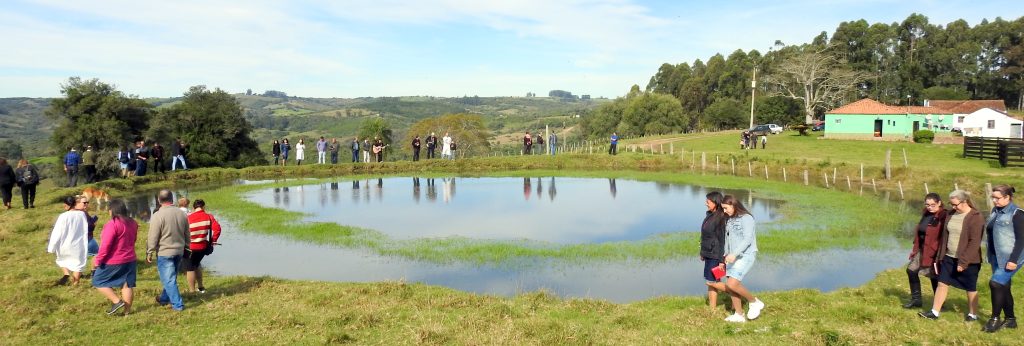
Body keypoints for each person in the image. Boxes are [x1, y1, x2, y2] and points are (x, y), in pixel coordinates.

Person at [920, 190, 984, 321]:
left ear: (965, 201)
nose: (953, 207)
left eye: (955, 204)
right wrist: (940, 256)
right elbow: (944, 236)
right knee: (942, 283)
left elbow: (974, 242)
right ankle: (934, 312)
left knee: (970, 287)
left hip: (968, 260)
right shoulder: (950, 214)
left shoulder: (975, 217)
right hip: (949, 256)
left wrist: (963, 262)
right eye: (951, 204)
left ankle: (973, 314)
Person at [983, 185, 1024, 332]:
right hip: (995, 255)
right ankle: (1011, 320)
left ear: (1008, 197)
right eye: (993, 197)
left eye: (998, 198)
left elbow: (1021, 240)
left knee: (995, 284)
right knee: (1004, 286)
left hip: (1011, 257)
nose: (994, 200)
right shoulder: (995, 211)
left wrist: (1013, 260)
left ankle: (994, 319)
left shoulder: (1017, 214)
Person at [720, 195, 765, 322]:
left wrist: (734, 254)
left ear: (733, 205)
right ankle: (739, 315)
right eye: (723, 209)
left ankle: (754, 302)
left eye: (726, 208)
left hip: (745, 255)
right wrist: (725, 255)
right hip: (732, 257)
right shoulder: (729, 220)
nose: (724, 211)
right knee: (731, 286)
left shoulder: (747, 218)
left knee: (731, 283)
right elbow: (728, 240)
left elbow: (747, 239)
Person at [92, 199, 138, 315]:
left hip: (114, 260)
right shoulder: (133, 223)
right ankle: (127, 312)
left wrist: (98, 261)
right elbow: (133, 240)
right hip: (130, 258)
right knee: (126, 285)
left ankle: (116, 301)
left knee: (97, 281)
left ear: (112, 210)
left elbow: (105, 246)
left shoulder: (112, 224)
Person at [146, 190, 190, 311]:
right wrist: (187, 246)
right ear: (172, 199)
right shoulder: (182, 214)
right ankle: (164, 298)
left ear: (159, 201)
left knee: (169, 279)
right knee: (171, 278)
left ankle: (178, 305)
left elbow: (153, 236)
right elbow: (187, 233)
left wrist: (149, 251)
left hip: (165, 252)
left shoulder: (157, 215)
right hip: (179, 251)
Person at [903, 193, 946, 309]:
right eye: (927, 204)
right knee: (911, 271)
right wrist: (915, 248)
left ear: (939, 203)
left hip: (935, 251)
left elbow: (944, 235)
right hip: (922, 249)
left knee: (934, 276)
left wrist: (940, 253)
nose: (930, 207)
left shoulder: (944, 216)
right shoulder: (925, 213)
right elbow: (920, 231)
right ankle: (916, 300)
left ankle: (940, 303)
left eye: (933, 205)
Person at [47, 196, 88, 286]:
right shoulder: (82, 214)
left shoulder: (63, 216)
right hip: (79, 244)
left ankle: (67, 274)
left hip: (64, 244)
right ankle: (75, 283)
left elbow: (57, 232)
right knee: (78, 264)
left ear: (67, 205)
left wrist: (51, 247)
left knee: (62, 260)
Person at [185, 199, 222, 294]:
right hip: (203, 247)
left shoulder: (188, 218)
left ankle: (192, 292)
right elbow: (217, 229)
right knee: (197, 265)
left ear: (193, 208)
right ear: (204, 207)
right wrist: (213, 240)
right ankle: (201, 287)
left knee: (190, 268)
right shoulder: (209, 216)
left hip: (190, 247)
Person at [700, 191, 728, 308]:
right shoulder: (710, 215)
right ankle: (712, 308)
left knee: (712, 282)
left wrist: (721, 260)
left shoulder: (721, 218)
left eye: (708, 201)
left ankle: (736, 292)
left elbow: (722, 240)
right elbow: (705, 236)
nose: (706, 203)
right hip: (708, 253)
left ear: (715, 202)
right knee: (711, 282)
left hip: (716, 255)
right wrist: (702, 252)